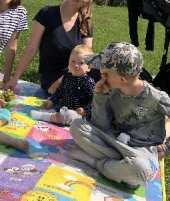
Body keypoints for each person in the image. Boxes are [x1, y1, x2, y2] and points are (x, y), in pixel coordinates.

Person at [69, 42, 170, 188]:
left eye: (104, 74)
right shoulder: (111, 90)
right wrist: (98, 96)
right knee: (76, 125)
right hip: (115, 141)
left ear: (122, 80)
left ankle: (95, 162)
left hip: (143, 151)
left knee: (140, 170)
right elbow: (100, 126)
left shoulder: (156, 98)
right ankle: (119, 168)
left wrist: (166, 149)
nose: (101, 78)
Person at [3, 0, 98, 96]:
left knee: (106, 75)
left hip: (76, 75)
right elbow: (31, 49)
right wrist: (15, 79)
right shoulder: (46, 14)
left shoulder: (85, 24)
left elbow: (87, 58)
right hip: (52, 80)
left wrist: (63, 79)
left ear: (88, 1)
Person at [30, 45, 95, 125]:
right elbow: (59, 91)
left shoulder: (88, 82)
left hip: (76, 113)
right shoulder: (67, 76)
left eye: (81, 63)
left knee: (69, 116)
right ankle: (53, 113)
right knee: (51, 101)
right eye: (73, 61)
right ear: (68, 62)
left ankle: (45, 116)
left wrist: (85, 110)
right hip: (63, 105)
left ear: (88, 67)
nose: (76, 65)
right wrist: (52, 101)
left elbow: (94, 100)